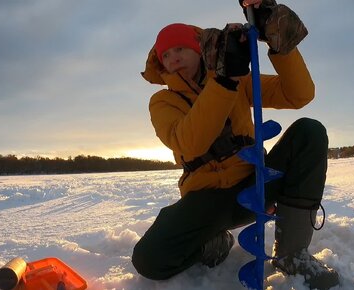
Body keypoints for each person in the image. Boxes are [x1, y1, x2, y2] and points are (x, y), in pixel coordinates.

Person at [132, 0, 339, 289]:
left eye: (180, 48)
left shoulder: (240, 80)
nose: (174, 58)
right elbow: (188, 143)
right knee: (149, 259)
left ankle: (293, 254)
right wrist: (225, 81)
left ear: (198, 48)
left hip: (255, 183)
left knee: (309, 131)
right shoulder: (163, 102)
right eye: (166, 54)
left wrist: (280, 47)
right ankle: (213, 243)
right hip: (208, 200)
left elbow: (298, 94)